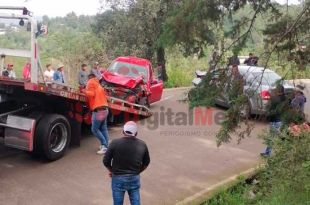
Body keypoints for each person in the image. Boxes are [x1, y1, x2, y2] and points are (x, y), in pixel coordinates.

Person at [103, 121, 150, 205]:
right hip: (134, 178)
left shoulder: (114, 143)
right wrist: (137, 172)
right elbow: (146, 163)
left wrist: (112, 171)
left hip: (118, 178)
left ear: (123, 132)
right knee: (135, 202)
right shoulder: (142, 144)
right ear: (136, 133)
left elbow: (106, 161)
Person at [84, 73, 109, 154]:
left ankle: (104, 145)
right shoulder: (98, 84)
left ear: (89, 78)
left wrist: (85, 91)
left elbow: (91, 94)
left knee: (94, 129)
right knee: (103, 128)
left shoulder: (90, 82)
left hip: (98, 110)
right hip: (105, 109)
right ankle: (106, 145)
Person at [261, 84, 287, 157]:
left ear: (278, 91)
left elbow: (272, 110)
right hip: (281, 120)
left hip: (274, 120)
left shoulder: (275, 99)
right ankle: (269, 152)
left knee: (272, 137)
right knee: (277, 136)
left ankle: (268, 153)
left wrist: (267, 114)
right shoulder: (285, 99)